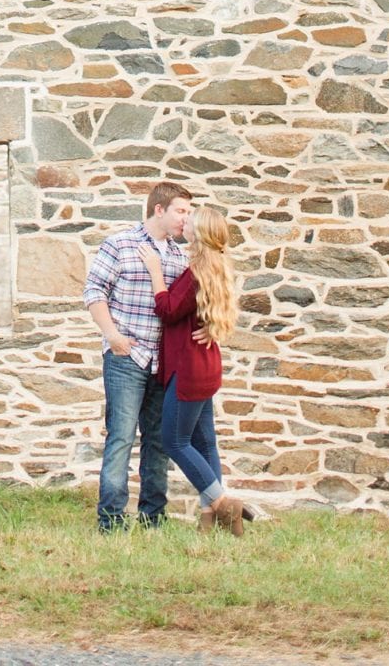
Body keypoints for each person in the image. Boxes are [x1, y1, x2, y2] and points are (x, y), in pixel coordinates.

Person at [82, 180, 191, 532]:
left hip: (164, 364)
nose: (185, 220)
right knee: (121, 437)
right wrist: (112, 336)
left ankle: (153, 519)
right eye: (180, 211)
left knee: (158, 443)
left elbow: (183, 307)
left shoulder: (178, 256)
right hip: (126, 358)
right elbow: (94, 291)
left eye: (188, 212)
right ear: (159, 209)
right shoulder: (120, 244)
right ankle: (111, 520)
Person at [138, 205, 249, 535]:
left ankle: (223, 504)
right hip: (206, 366)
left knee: (175, 442)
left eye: (191, 220)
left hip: (188, 369)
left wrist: (155, 271)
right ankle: (208, 516)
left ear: (198, 234)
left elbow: (168, 309)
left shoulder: (198, 269)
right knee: (206, 443)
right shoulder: (217, 266)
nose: (184, 222)